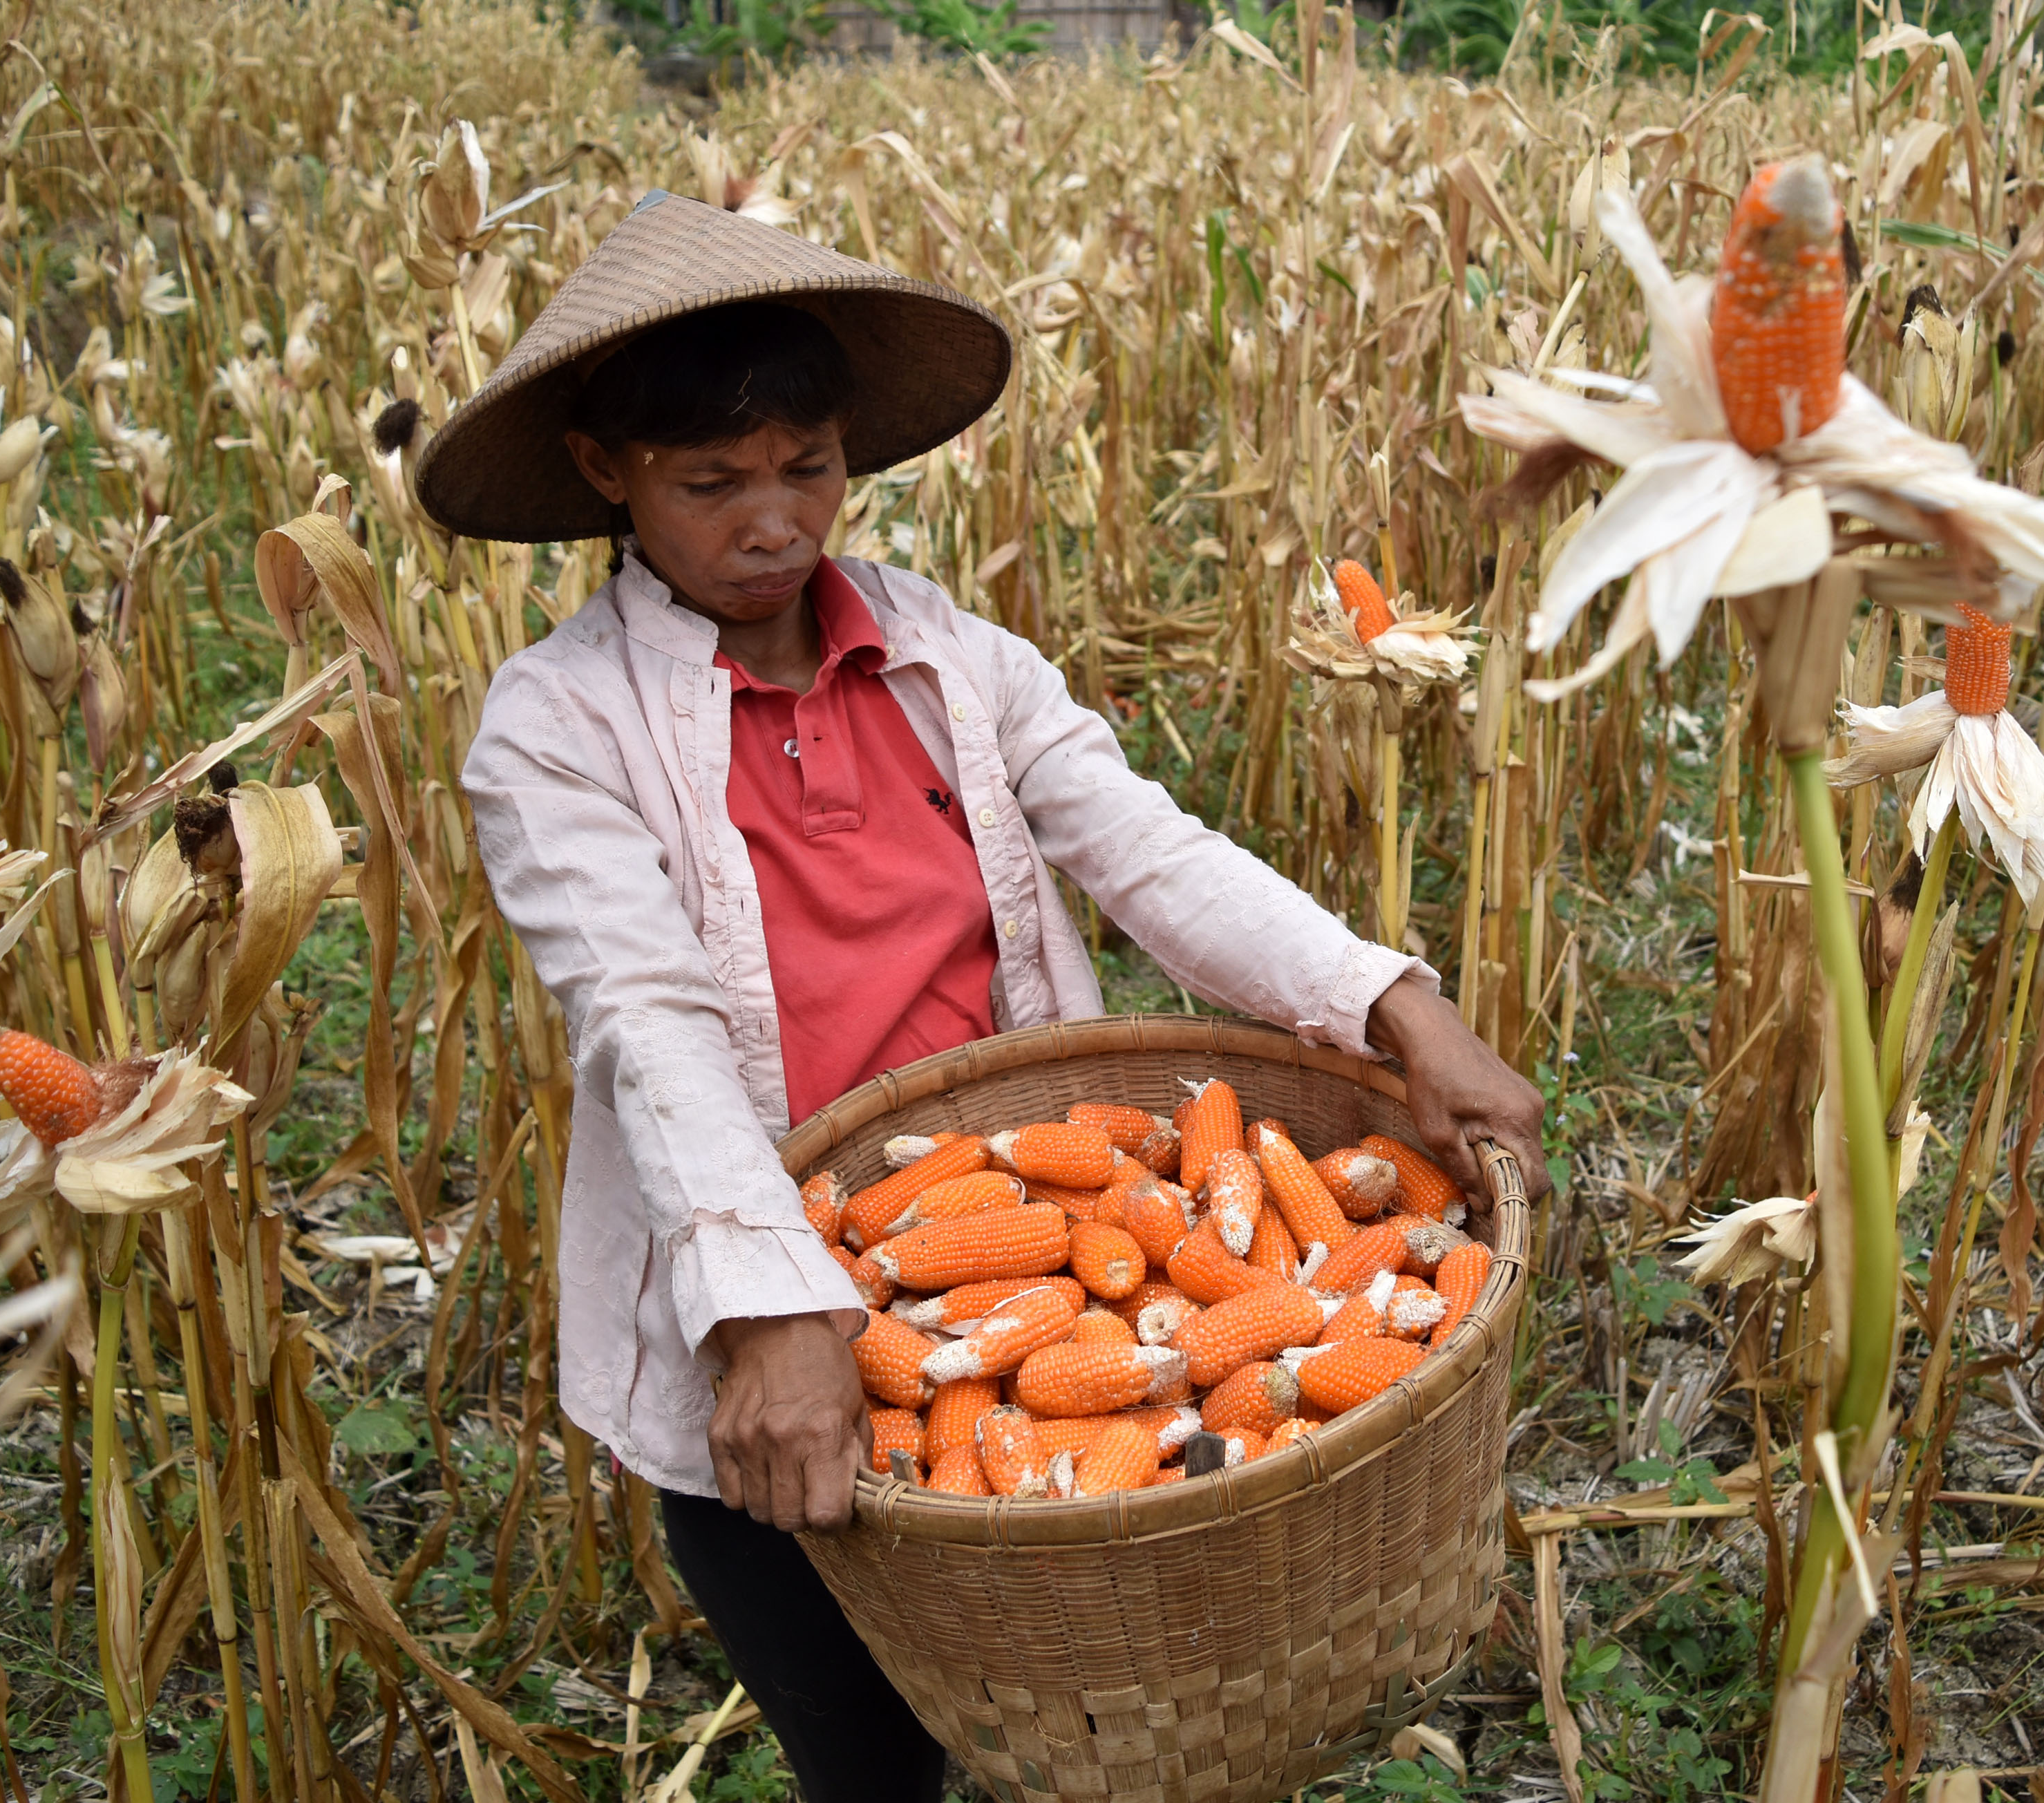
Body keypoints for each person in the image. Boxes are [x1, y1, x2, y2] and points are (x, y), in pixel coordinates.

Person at [422, 191, 1547, 1803]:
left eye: (804, 467)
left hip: (1033, 1234)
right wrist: (773, 1313)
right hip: (773, 1286)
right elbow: (642, 1013)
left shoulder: (951, 655)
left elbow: (1151, 855)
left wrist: (1393, 1010)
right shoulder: (555, 728)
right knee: (872, 1760)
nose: (771, 522)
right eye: (708, 483)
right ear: (606, 473)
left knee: (1099, 1726)